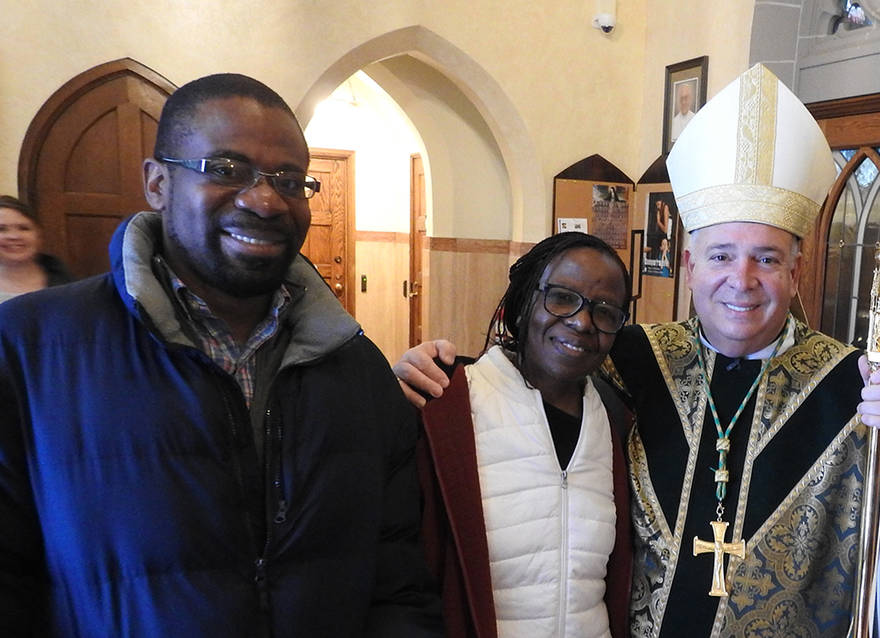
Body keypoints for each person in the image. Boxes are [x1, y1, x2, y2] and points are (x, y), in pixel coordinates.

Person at [398, 64, 880, 637]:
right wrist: (423, 370)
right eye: (720, 256)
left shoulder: (857, 384)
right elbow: (523, 384)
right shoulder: (632, 357)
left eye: (766, 258)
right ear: (689, 267)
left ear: (797, 271)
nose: (741, 280)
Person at [0, 73, 442, 637]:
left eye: (288, 179)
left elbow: (396, 579)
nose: (264, 199)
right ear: (158, 183)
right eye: (226, 170)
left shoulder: (357, 369)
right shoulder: (30, 348)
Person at [416, 232, 632, 637]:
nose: (582, 322)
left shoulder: (618, 422)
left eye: (605, 312)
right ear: (522, 303)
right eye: (562, 298)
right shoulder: (446, 406)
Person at [0, 195, 74, 303]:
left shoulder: (70, 287)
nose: (14, 236)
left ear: (38, 234)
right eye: (2, 229)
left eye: (24, 228)